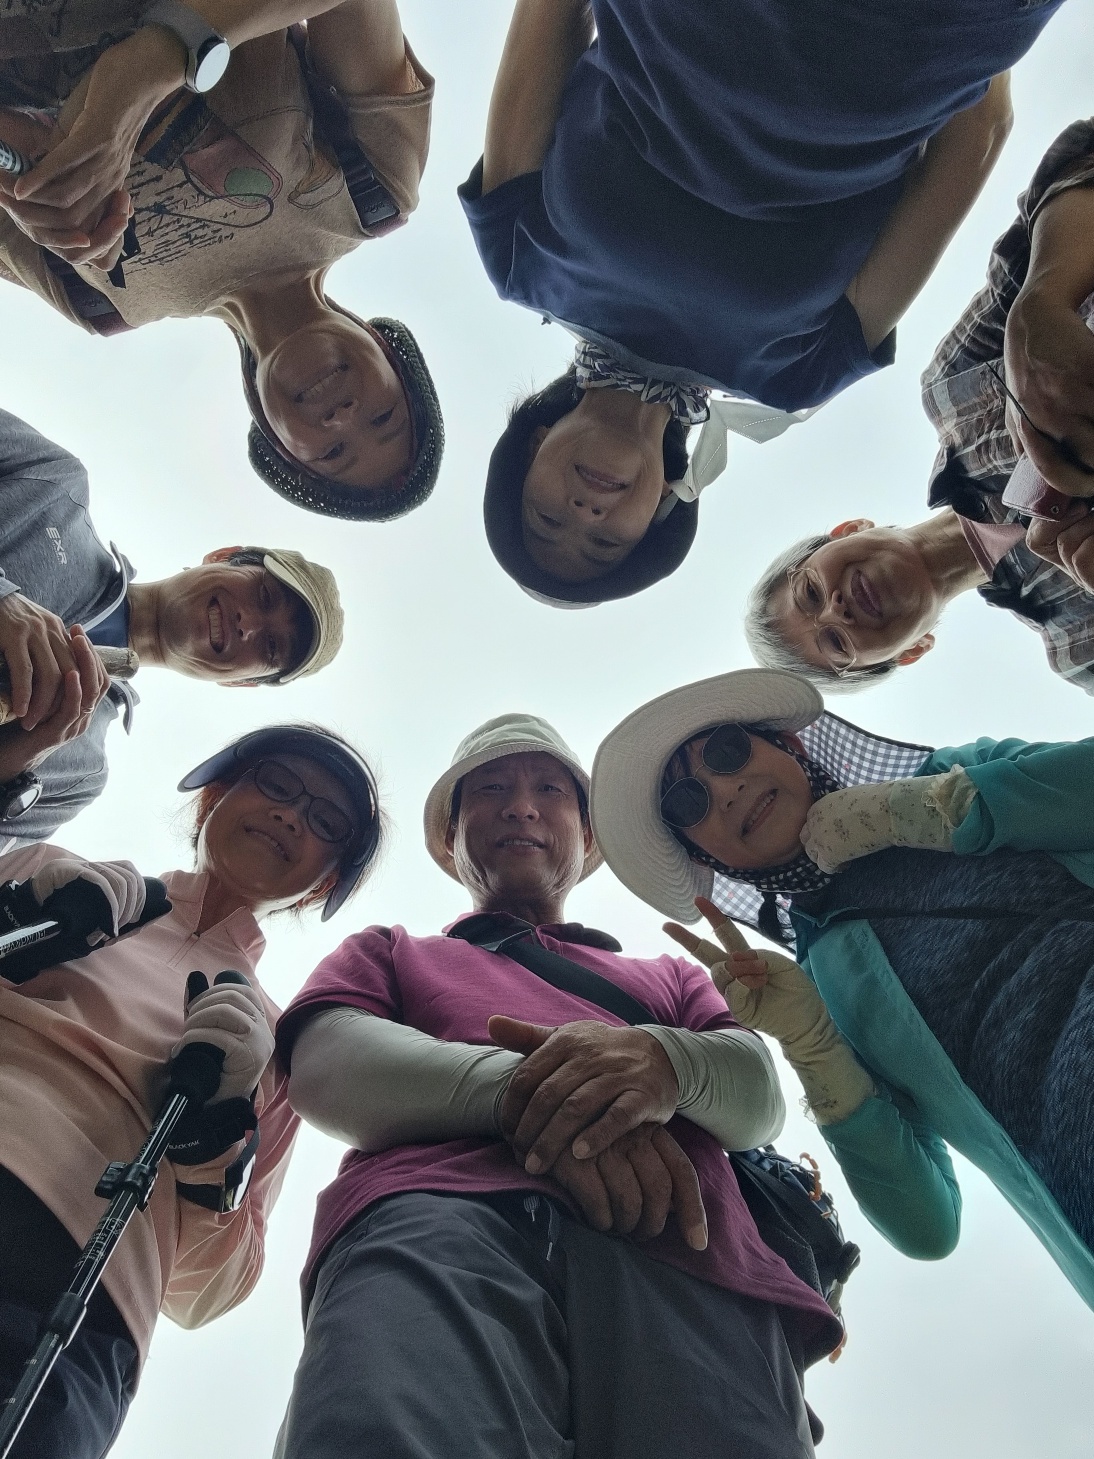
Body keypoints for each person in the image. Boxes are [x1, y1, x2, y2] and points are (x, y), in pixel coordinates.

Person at [273, 711, 842, 1459]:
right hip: (439, 1221)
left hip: (695, 1255)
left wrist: (664, 1063)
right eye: (491, 790)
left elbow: (757, 1094)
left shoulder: (671, 974)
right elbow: (326, 1063)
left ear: (589, 837)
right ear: (451, 837)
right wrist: (554, 1097)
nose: (521, 806)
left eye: (550, 789)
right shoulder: (388, 949)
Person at [459, 0, 1074, 605]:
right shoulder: (797, 376)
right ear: (662, 506)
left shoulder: (518, 260)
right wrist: (978, 30)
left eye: (546, 518)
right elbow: (972, 143)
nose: (585, 513)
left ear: (532, 446)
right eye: (605, 544)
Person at [591, 667, 1094, 1313]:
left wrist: (917, 810)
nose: (725, 789)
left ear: (790, 745)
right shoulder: (825, 977)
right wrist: (812, 1043)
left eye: (728, 749)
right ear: (704, 858)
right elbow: (927, 1225)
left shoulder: (958, 772)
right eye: (689, 803)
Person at [0, 721, 383, 1458]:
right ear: (213, 797)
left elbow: (209, 1290)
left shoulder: (276, 1045)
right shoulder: (55, 874)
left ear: (325, 880)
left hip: (85, 1303)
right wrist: (20, 918)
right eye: (276, 784)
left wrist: (217, 1146)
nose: (291, 815)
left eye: (326, 822)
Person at [0, 0, 443, 521]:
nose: (343, 417)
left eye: (332, 454)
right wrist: (161, 56)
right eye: (384, 417)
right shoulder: (376, 186)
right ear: (391, 354)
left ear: (277, 441)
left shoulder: (99, 304)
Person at [745, 118, 1094, 694]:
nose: (835, 611)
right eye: (836, 645)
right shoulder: (1078, 645)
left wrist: (1045, 298)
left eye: (809, 592)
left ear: (847, 529)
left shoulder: (956, 390)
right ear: (911, 654)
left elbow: (1077, 157)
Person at [0, 406, 344, 847]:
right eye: (263, 595)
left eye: (271, 647)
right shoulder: (54, 484)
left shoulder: (78, 774)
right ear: (223, 555)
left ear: (240, 683)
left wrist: (15, 759)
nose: (249, 626)